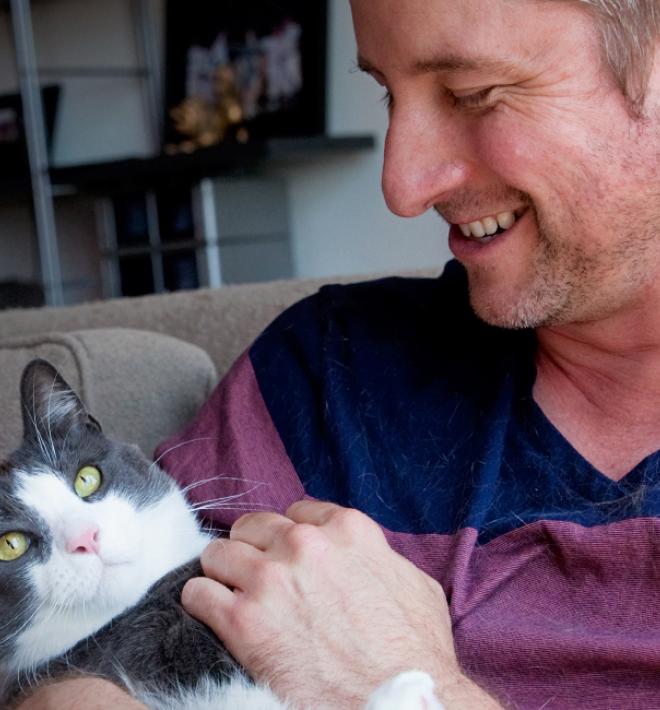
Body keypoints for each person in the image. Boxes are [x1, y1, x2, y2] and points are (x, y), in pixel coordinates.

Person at [20, 0, 660, 708]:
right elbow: (75, 679)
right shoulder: (330, 370)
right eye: (389, 93)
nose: (403, 185)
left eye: (472, 93)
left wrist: (420, 684)